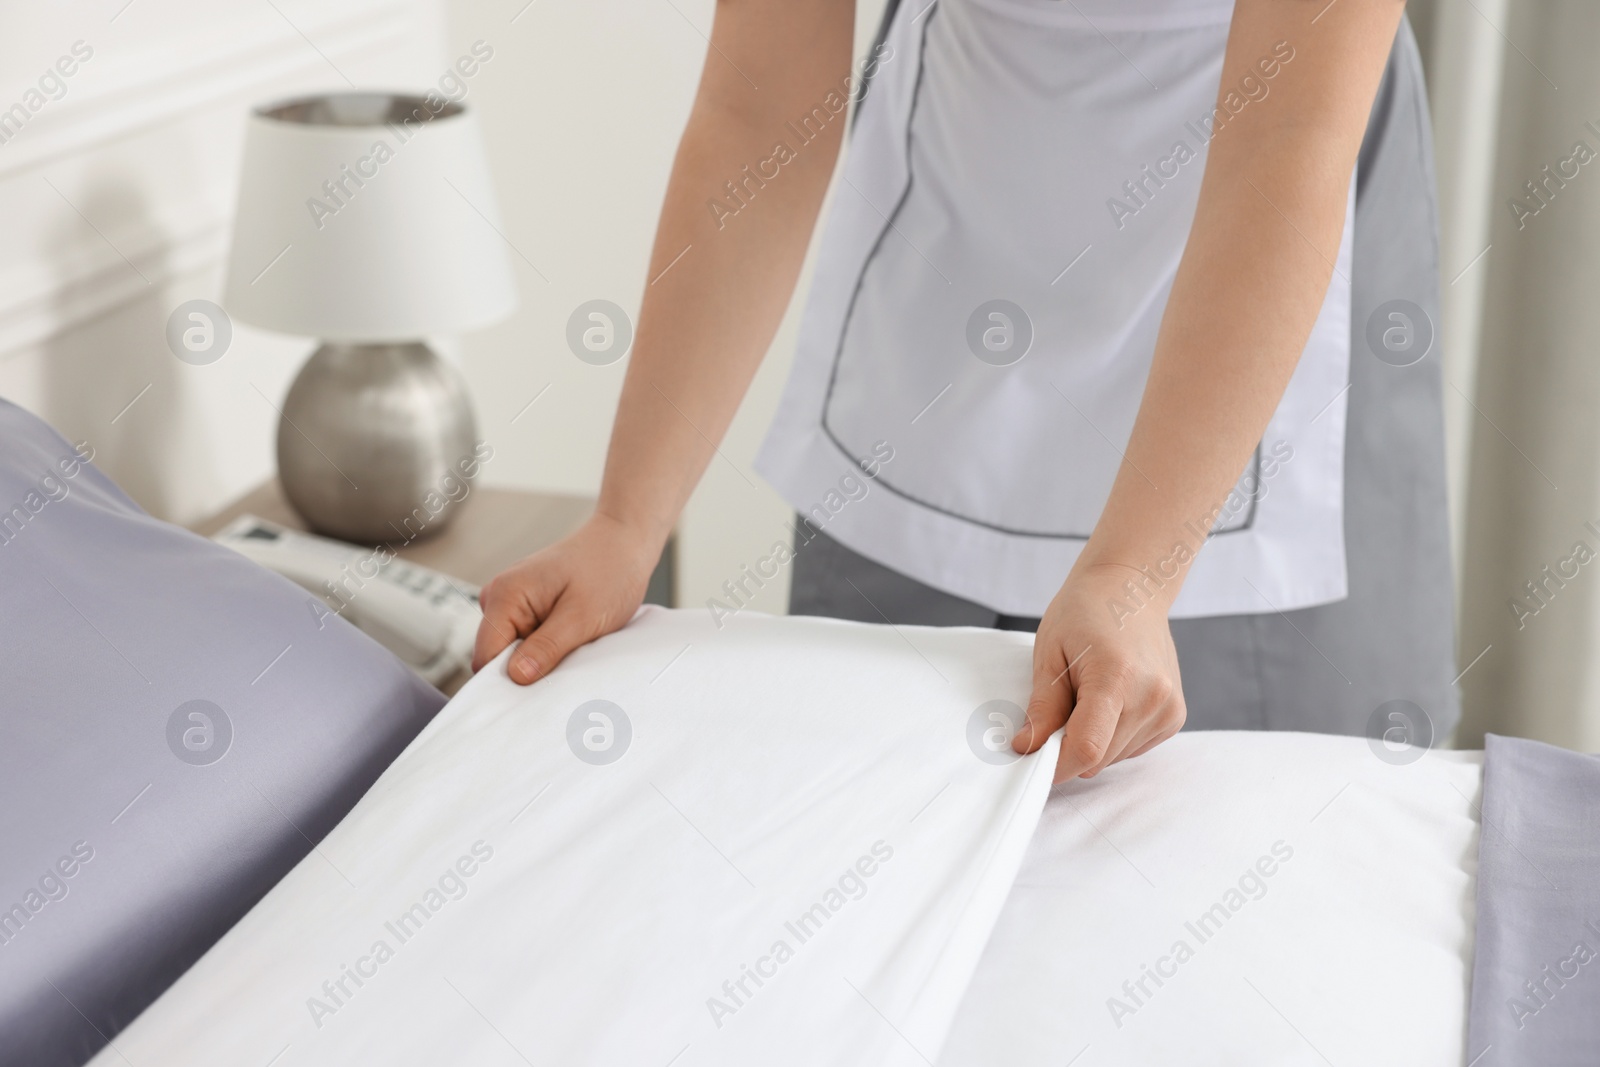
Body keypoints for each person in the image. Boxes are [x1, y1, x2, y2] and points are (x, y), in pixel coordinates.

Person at [472, 0, 1458, 783]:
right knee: (865, 791)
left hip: (1279, 176)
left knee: (1225, 837)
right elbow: (756, 107)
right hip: (957, 169)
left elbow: (1283, 141)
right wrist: (626, 523)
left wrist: (1139, 572)